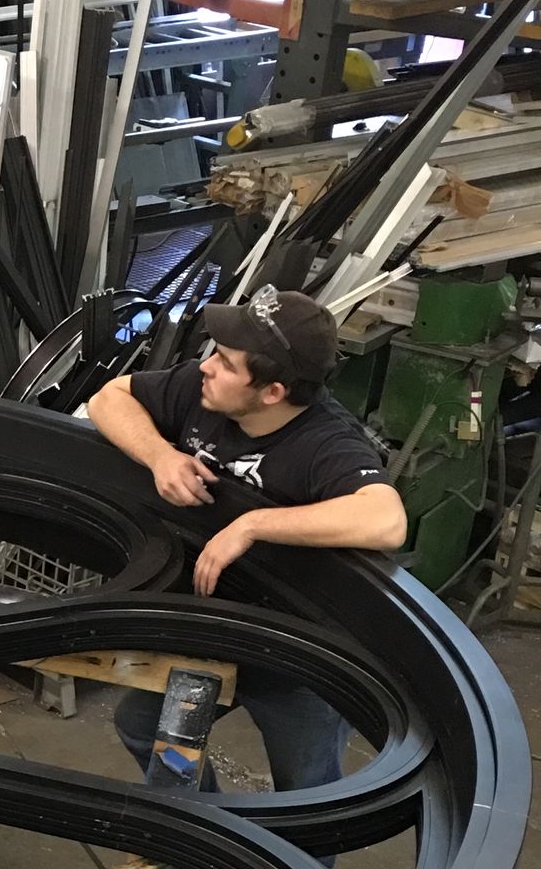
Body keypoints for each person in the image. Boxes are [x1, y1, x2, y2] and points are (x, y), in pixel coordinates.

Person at [85, 286, 407, 794]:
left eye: (226, 362)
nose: (207, 366)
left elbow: (386, 520)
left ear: (272, 392)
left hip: (302, 653)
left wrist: (252, 523)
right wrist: (160, 457)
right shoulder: (205, 388)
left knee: (305, 789)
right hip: (214, 626)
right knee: (143, 726)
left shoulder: (326, 444)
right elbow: (108, 397)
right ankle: (205, 842)